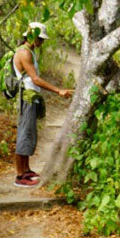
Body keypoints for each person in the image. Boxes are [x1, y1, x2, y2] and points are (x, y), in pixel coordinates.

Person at [12, 22, 72, 187]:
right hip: (27, 97)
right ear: (32, 37)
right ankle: (19, 176)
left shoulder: (30, 51)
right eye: (40, 39)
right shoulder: (24, 53)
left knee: (30, 133)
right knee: (24, 134)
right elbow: (35, 79)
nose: (41, 43)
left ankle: (26, 169)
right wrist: (58, 90)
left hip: (32, 95)